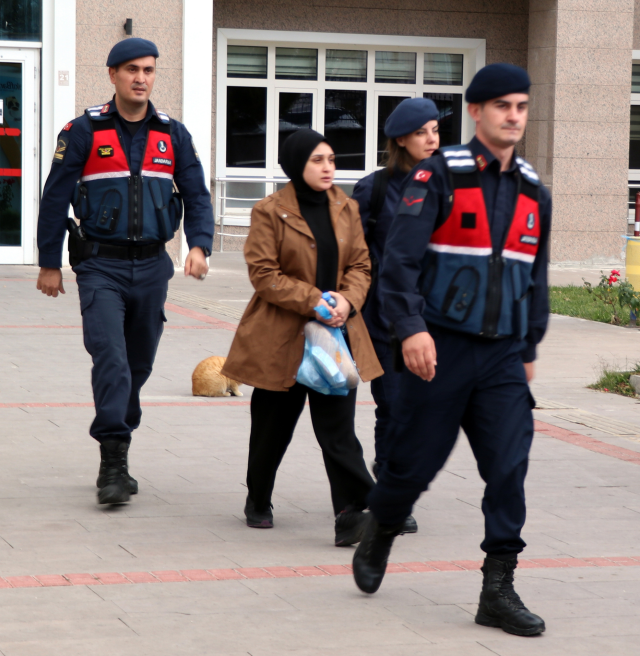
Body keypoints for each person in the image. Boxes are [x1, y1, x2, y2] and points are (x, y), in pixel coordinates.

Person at [352, 64, 551, 638]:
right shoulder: (438, 176)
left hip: (503, 358)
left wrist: (530, 343)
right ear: (476, 113)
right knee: (414, 464)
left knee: (509, 468)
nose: (513, 115)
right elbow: (399, 263)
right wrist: (411, 328)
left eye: (520, 106)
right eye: (501, 106)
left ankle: (498, 587)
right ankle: (383, 526)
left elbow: (534, 277)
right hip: (438, 350)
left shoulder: (535, 189)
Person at [36, 38, 214, 505]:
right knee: (110, 358)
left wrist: (199, 245)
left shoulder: (172, 133)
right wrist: (49, 262)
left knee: (138, 365)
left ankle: (120, 439)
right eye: (132, 69)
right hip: (100, 267)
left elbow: (196, 194)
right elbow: (55, 197)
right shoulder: (82, 130)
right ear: (112, 74)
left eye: (149, 70)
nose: (141, 77)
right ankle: (112, 463)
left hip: (154, 267)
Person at [221, 129, 383, 546]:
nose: (328, 167)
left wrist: (347, 301)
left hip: (333, 336)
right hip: (282, 338)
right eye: (317, 160)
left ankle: (352, 513)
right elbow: (264, 275)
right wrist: (314, 300)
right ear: (296, 165)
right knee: (272, 429)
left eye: (331, 158)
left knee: (339, 431)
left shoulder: (346, 208)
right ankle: (258, 497)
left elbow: (362, 265)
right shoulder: (269, 211)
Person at [352, 97, 440, 535]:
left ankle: (391, 474)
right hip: (385, 319)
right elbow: (354, 254)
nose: (432, 139)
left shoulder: (446, 184)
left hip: (434, 320)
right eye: (422, 132)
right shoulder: (375, 188)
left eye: (436, 131)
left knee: (422, 410)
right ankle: (391, 488)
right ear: (401, 139)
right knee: (395, 406)